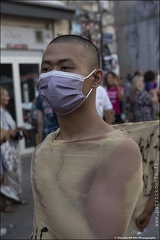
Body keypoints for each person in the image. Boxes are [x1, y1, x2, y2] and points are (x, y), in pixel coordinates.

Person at [31, 34, 143, 239]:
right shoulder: (43, 149)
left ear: (96, 78)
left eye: (65, 68)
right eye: (46, 69)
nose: (52, 76)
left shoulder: (117, 151)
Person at [0, 87, 27, 205]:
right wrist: (8, 133)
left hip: (12, 145)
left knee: (14, 172)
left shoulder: (6, 111)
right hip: (5, 147)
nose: (8, 98)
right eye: (5, 95)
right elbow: (3, 131)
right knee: (7, 173)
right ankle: (7, 202)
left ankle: (13, 197)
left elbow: (8, 128)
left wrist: (17, 129)